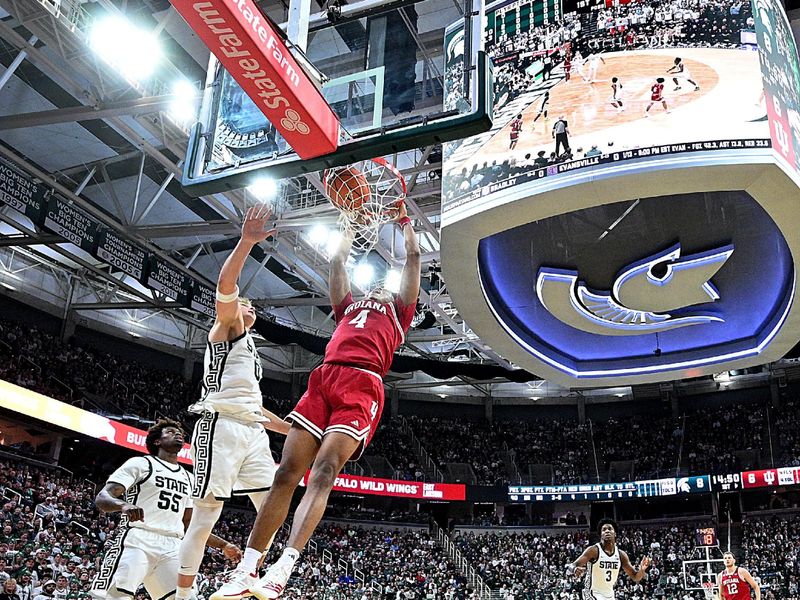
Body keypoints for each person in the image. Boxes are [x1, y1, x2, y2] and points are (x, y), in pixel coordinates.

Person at [215, 203, 421, 600]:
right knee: (285, 472)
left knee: (324, 470)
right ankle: (247, 568)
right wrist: (349, 223)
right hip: (325, 377)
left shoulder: (400, 310)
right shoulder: (347, 308)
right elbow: (338, 260)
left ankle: (285, 565)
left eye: (384, 284)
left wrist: (405, 221)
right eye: (375, 284)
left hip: (363, 384)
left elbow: (412, 257)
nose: (378, 286)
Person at [177, 203, 290, 600]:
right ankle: (184, 593)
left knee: (272, 505)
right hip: (220, 425)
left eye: (252, 306)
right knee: (207, 513)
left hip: (251, 428)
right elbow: (226, 286)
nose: (250, 307)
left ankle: (249, 577)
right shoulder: (227, 327)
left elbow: (255, 408)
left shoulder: (250, 351)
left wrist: (295, 432)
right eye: (247, 303)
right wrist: (246, 241)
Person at [91, 419, 239, 600]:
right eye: (170, 432)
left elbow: (190, 525)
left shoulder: (189, 478)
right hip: (138, 539)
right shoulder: (141, 463)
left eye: (180, 434)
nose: (178, 434)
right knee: (115, 596)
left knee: (186, 598)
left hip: (173, 545)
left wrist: (223, 544)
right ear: (157, 441)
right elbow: (102, 497)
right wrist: (123, 505)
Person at [567, 519, 651, 599]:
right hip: (592, 593)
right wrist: (574, 569)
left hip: (609, 595)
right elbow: (571, 565)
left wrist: (642, 569)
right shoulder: (593, 550)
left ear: (615, 533)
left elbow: (636, 577)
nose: (607, 531)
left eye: (610, 529)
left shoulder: (621, 555)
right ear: (600, 534)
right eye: (604, 530)